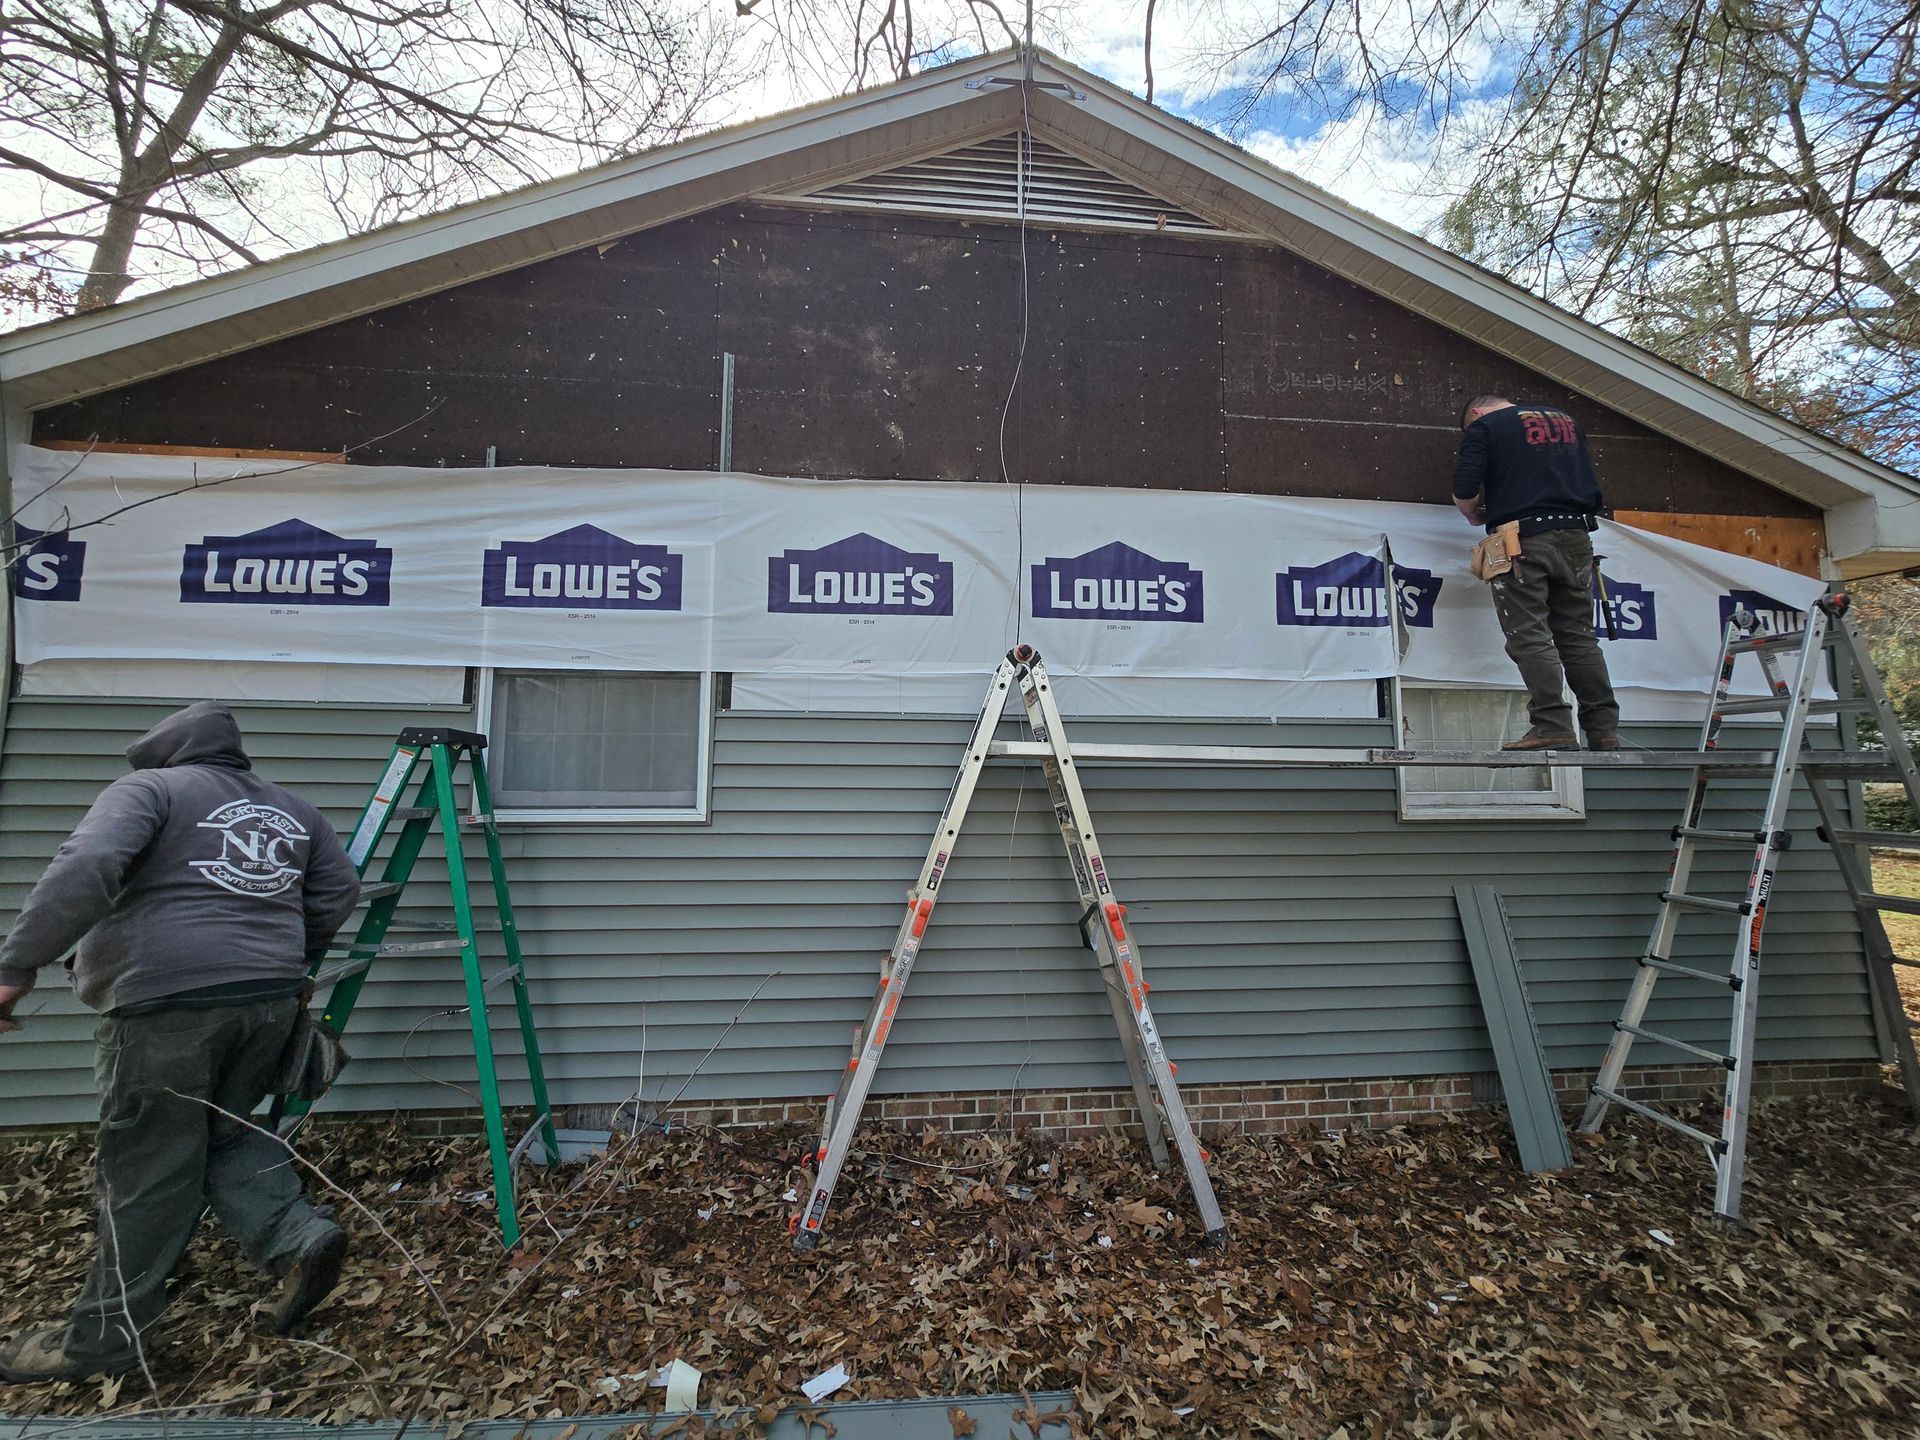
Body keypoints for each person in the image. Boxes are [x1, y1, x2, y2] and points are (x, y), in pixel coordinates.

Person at [0, 702, 361, 1383]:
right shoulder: (294, 809)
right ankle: (297, 1236)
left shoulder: (150, 790)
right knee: (221, 1130)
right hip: (268, 1001)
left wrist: (16, 966)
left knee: (149, 1167)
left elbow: (92, 862)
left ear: (164, 755)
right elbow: (338, 890)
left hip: (165, 1004)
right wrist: (286, 955)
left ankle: (105, 1339)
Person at [1452, 394, 1622, 751]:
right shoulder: (1565, 421)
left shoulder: (1485, 425)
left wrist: (1473, 515)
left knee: (1529, 634)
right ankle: (1603, 728)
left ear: (1478, 413)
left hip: (1523, 538)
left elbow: (1465, 487)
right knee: (1577, 636)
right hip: (1577, 536)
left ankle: (1553, 725)